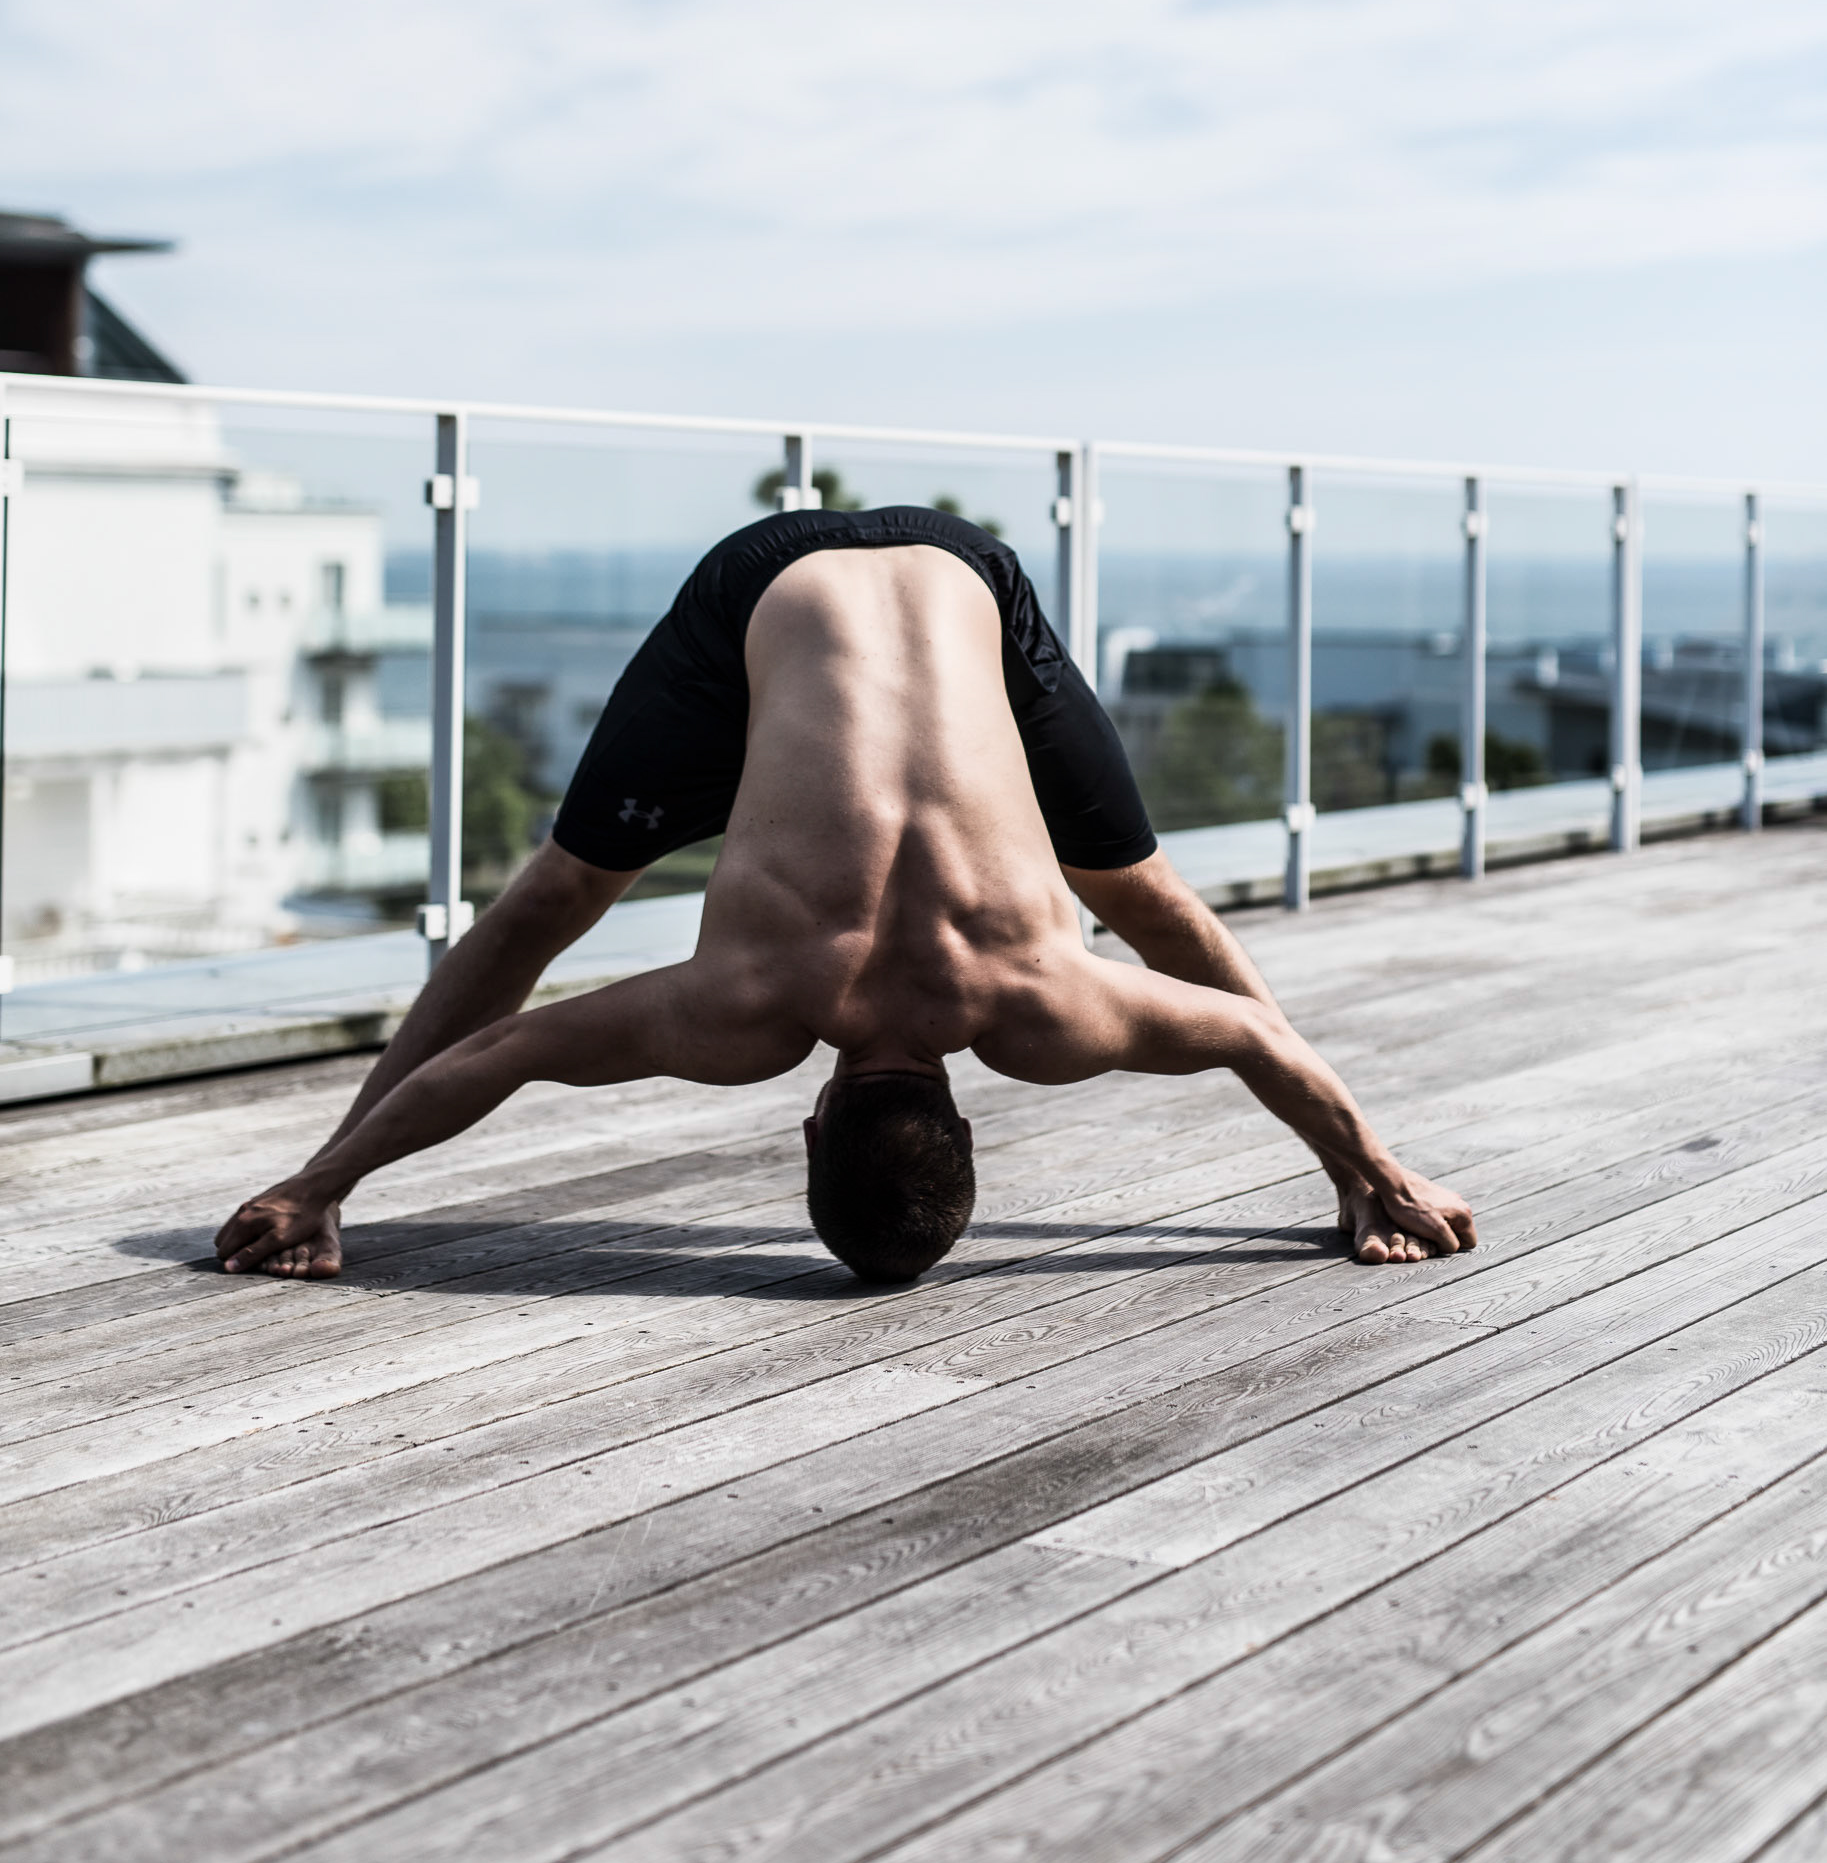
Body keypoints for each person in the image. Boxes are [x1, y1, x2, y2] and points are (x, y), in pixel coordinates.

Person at [217, 509, 1474, 1284]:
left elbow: (1252, 1040)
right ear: (809, 1133)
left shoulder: (1046, 1012)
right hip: (793, 590)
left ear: (963, 1130)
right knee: (1132, 884)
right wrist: (325, 1195)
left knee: (558, 894)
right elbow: (500, 1058)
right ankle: (313, 1181)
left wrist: (1373, 1162)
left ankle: (314, 1172)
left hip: (957, 570)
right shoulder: (744, 1014)